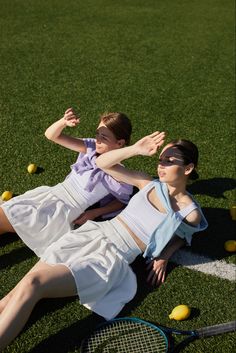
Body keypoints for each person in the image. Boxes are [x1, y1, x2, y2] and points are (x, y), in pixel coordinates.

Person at [0, 131, 208, 350]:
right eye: (161, 160)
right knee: (19, 290)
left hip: (109, 260)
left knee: (33, 285)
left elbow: (183, 236)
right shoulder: (148, 183)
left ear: (188, 168)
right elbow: (102, 163)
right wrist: (136, 149)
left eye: (169, 161)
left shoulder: (190, 213)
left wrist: (164, 257)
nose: (161, 166)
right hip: (89, 236)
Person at [0, 108, 133, 256]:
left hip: (61, 213)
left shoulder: (120, 173)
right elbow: (51, 135)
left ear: (120, 143)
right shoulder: (90, 147)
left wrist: (94, 213)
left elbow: (122, 201)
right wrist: (63, 122)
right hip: (49, 195)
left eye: (104, 137)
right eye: (97, 133)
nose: (98, 140)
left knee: (6, 218)